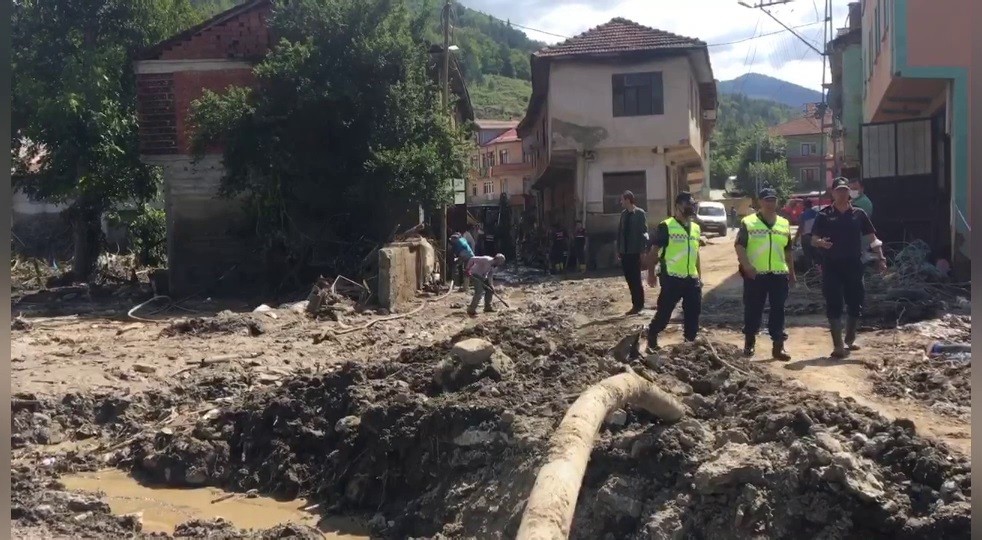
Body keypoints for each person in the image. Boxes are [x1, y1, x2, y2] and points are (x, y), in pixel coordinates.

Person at [811, 177, 887, 358]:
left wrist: (881, 257)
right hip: (831, 265)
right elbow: (813, 239)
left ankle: (850, 339)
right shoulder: (823, 214)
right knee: (834, 302)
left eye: (845, 190)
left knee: (856, 301)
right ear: (833, 193)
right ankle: (838, 345)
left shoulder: (859, 214)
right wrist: (820, 243)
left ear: (849, 193)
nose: (843, 193)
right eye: (839, 190)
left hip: (854, 264)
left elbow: (872, 238)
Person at [735, 188, 795, 361]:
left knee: (779, 310)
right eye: (767, 200)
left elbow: (788, 251)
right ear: (760, 202)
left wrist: (791, 273)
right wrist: (747, 266)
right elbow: (739, 246)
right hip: (756, 274)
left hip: (778, 274)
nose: (770, 203)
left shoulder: (784, 223)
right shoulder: (748, 222)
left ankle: (778, 346)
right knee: (753, 309)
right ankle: (749, 343)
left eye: (773, 200)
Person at [644, 192, 703, 352]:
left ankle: (689, 343)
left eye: (693, 205)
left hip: (691, 278)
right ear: (678, 206)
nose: (691, 208)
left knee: (693, 312)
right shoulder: (666, 226)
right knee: (664, 313)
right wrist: (650, 274)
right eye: (688, 205)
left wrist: (699, 276)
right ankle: (652, 334)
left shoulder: (696, 228)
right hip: (672, 278)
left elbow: (696, 253)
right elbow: (654, 251)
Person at [616, 191, 648, 315]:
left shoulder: (640, 213)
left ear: (628, 200)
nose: (621, 202)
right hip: (625, 251)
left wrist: (642, 250)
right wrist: (619, 249)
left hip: (635, 251)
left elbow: (644, 233)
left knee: (636, 279)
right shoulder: (623, 215)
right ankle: (635, 303)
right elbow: (620, 232)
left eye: (622, 200)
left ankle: (639, 304)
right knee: (629, 279)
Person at [793, 199, 819, 268]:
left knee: (808, 256)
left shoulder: (803, 215)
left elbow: (800, 228)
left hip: (806, 237)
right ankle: (817, 271)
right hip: (815, 237)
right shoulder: (817, 214)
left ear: (804, 206)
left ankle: (809, 272)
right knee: (816, 255)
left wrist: (795, 239)